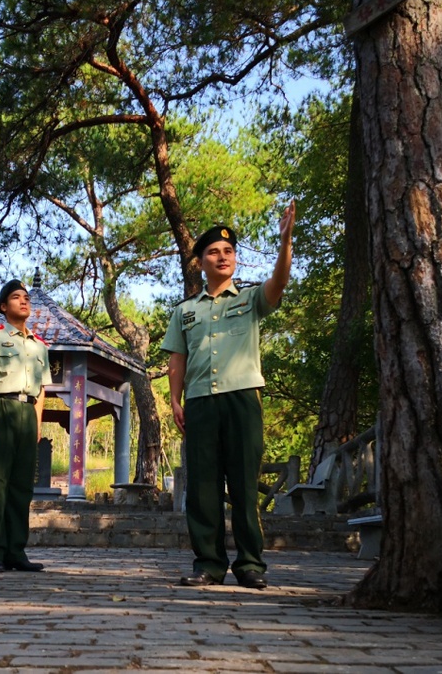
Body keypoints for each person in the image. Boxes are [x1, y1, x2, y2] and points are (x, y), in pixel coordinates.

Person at [160, 202, 295, 590]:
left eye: (228, 251)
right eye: (213, 252)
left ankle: (250, 564)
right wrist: (174, 401)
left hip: (242, 400)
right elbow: (176, 359)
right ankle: (209, 564)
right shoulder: (185, 311)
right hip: (200, 402)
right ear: (200, 263)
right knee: (203, 487)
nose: (222, 256)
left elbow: (280, 283)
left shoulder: (250, 299)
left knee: (243, 484)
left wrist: (285, 242)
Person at [0, 280, 51, 573]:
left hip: (26, 413)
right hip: (0, 407)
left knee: (22, 486)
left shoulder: (39, 345)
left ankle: (16, 550)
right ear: (4, 307)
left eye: (26, 298)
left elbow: (42, 389)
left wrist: (38, 423)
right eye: (16, 298)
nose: (24, 302)